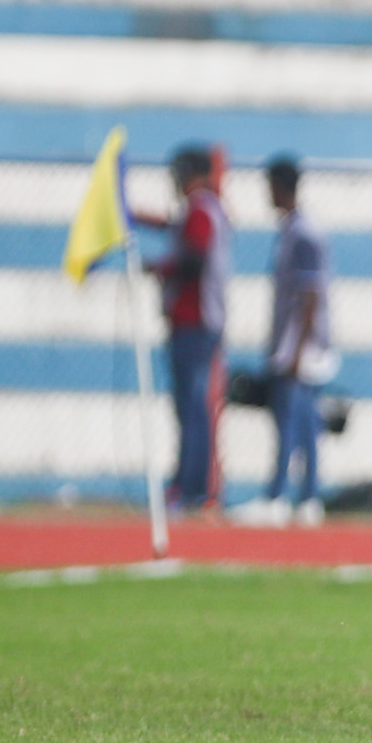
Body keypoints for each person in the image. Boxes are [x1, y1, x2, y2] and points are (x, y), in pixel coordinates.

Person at [228, 155, 333, 528]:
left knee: (290, 422)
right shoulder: (292, 229)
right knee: (304, 424)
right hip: (293, 344)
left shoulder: (303, 233)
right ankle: (307, 498)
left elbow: (310, 295)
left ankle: (279, 495)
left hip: (299, 348)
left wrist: (298, 349)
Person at [139, 145, 232, 513]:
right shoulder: (199, 210)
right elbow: (172, 227)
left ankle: (191, 488)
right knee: (187, 407)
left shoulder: (202, 209)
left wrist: (160, 269)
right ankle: (187, 485)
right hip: (190, 322)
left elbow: (193, 258)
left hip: (196, 322)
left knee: (192, 406)